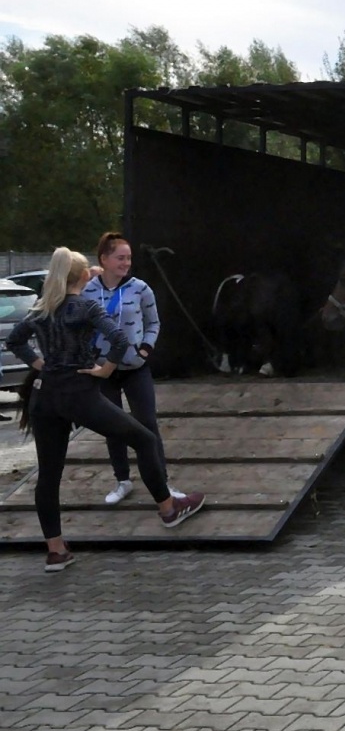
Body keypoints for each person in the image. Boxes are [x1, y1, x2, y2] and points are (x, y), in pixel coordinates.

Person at [5, 248, 206, 572]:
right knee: (144, 439)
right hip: (79, 393)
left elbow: (14, 342)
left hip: (45, 397)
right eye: (89, 269)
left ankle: (56, 551)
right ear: (83, 276)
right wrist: (105, 370)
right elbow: (119, 339)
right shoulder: (86, 306)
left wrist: (41, 364)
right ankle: (168, 509)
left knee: (49, 474)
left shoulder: (41, 309)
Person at [82, 232, 183, 505]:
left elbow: (154, 323)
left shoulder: (140, 288)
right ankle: (122, 481)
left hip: (135, 367)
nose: (126, 263)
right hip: (104, 369)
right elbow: (80, 326)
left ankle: (162, 482)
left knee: (147, 423)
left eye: (128, 258)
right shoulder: (88, 290)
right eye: (120, 258)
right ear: (104, 259)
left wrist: (145, 349)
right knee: (113, 426)